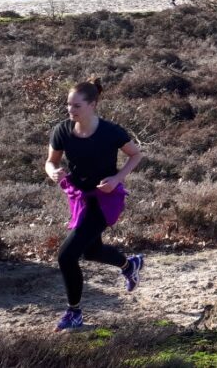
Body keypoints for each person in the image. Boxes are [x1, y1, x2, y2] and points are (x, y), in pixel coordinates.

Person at [44, 78, 145, 332]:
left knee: (66, 256)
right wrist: (53, 172)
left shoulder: (111, 131)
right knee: (91, 251)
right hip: (80, 199)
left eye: (76, 105)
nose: (70, 110)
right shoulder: (62, 131)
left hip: (105, 200)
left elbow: (136, 154)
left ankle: (74, 312)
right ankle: (129, 265)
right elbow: (50, 162)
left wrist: (117, 178)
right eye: (68, 105)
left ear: (92, 104)